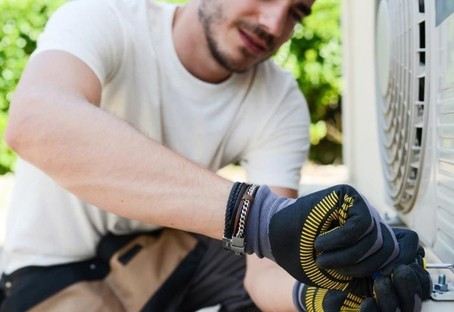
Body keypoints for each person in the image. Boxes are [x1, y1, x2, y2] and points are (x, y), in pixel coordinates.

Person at [0, 0, 431, 311]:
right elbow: (34, 122)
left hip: (163, 259)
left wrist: (318, 297)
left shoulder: (278, 99)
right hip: (51, 275)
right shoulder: (106, 17)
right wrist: (258, 216)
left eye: (296, 12)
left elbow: (266, 266)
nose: (274, 22)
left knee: (316, 256)